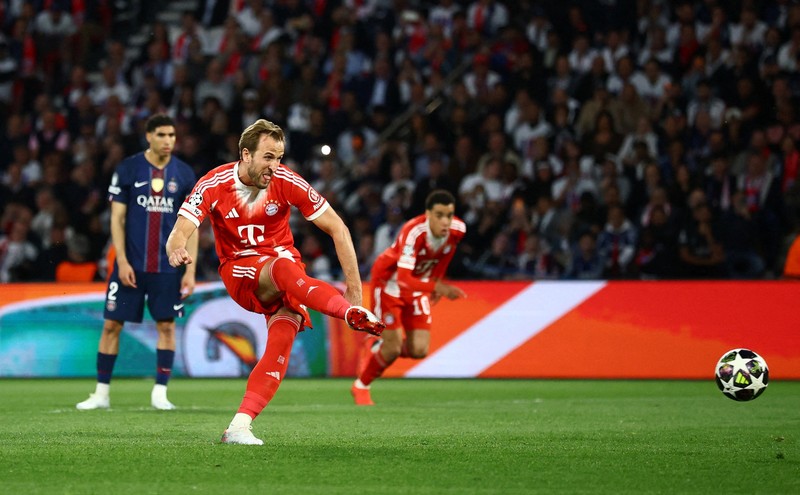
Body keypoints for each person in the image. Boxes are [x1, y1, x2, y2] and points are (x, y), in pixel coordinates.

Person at [165, 119, 384, 445]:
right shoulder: (214, 183)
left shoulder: (285, 180)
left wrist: (355, 290)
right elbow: (180, 230)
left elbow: (338, 228)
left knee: (282, 340)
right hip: (241, 272)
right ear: (246, 154)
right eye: (268, 157)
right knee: (283, 266)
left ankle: (239, 426)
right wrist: (177, 248)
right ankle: (344, 313)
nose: (275, 166)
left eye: (279, 157)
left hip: (287, 274)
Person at [76, 114, 198, 411]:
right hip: (130, 265)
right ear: (148, 136)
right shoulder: (128, 168)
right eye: (162, 135)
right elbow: (116, 219)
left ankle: (160, 393)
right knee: (111, 326)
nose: (168, 141)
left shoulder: (184, 174)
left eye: (172, 135)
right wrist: (121, 261)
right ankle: (101, 393)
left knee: (166, 327)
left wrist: (190, 271)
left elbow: (192, 224)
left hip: (167, 268)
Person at [352, 190, 467, 406]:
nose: (446, 221)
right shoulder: (413, 232)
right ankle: (361, 385)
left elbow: (445, 254)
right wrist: (438, 287)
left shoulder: (458, 229)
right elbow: (404, 279)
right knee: (393, 348)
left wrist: (436, 281)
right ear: (428, 214)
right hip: (389, 284)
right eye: (440, 215)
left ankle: (379, 348)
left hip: (417, 283)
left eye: (449, 215)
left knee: (419, 350)